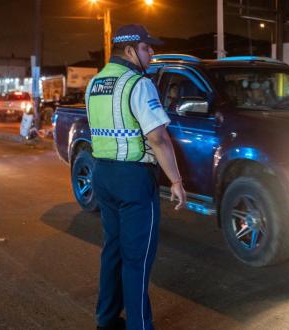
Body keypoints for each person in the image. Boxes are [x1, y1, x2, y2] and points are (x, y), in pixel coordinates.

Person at [86, 24, 186, 330]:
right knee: (137, 258)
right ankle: (140, 326)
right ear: (129, 51)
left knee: (112, 250)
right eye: (146, 48)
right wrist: (177, 181)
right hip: (133, 179)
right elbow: (158, 138)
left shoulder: (95, 83)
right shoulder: (137, 84)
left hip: (103, 174)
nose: (152, 52)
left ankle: (106, 318)